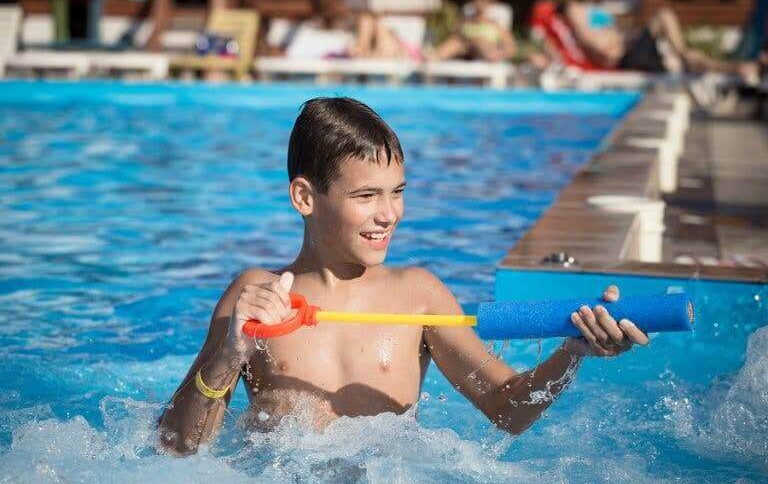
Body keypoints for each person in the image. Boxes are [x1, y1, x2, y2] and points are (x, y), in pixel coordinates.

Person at [157, 97, 649, 456]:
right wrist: (228, 354)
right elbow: (177, 450)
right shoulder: (256, 297)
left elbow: (507, 409)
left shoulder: (418, 295)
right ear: (305, 197)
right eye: (366, 196)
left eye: (397, 192)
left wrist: (572, 353)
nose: (389, 214)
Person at [531, 0, 759, 82]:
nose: (582, 11)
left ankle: (687, 54)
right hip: (627, 59)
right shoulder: (576, 33)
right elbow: (607, 55)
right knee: (683, 59)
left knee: (666, 19)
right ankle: (733, 67)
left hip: (631, 49)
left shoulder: (581, 27)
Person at [429, 0, 516, 62]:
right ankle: (432, 59)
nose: (479, 4)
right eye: (476, 0)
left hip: (486, 52)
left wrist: (498, 54)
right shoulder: (465, 21)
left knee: (479, 42)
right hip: (464, 50)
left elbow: (510, 49)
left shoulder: (495, 25)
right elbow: (454, 37)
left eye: (482, 1)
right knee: (455, 43)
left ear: (489, 3)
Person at [346, 12, 424, 61]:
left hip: (396, 50)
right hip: (387, 49)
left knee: (375, 23)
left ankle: (363, 50)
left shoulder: (381, 27)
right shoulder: (375, 24)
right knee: (367, 20)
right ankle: (363, 50)